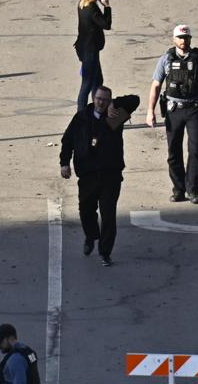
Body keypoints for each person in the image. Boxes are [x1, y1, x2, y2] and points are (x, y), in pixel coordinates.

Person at [58, 87, 139, 267]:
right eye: (98, 99)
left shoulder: (114, 117)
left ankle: (105, 252)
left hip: (110, 175)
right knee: (86, 210)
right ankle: (91, 235)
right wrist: (64, 162)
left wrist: (115, 104)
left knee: (108, 215)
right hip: (88, 175)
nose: (101, 102)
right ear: (93, 99)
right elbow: (68, 140)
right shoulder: (82, 118)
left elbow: (135, 100)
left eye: (105, 99)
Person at [147, 25, 198, 203]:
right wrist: (151, 111)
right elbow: (156, 86)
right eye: (180, 38)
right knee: (173, 151)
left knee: (196, 150)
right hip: (173, 110)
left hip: (194, 110)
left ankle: (193, 190)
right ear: (174, 39)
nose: (183, 41)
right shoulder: (166, 59)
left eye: (186, 38)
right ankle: (178, 189)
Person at [73, 0, 110, 110]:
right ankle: (82, 114)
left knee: (97, 81)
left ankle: (97, 108)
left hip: (85, 49)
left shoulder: (82, 3)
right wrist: (107, 6)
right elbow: (106, 24)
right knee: (87, 84)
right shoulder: (92, 8)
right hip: (90, 51)